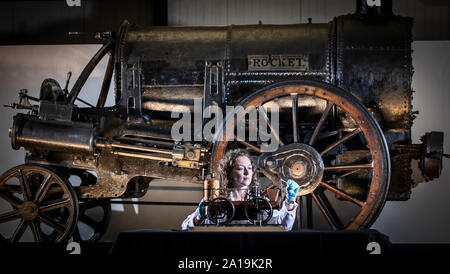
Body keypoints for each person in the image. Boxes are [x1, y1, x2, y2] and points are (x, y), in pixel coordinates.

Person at [181, 148, 300, 230]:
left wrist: (290, 202)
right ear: (229, 173)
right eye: (240, 168)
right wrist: (199, 218)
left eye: (249, 168)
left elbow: (283, 226)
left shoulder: (259, 201)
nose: (247, 172)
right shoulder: (217, 200)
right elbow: (185, 228)